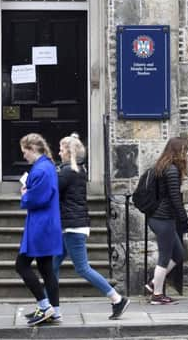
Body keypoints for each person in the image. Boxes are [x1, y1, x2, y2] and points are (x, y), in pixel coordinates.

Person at [52, 134, 130, 320]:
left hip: (73, 226)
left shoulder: (69, 172)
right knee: (52, 265)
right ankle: (50, 308)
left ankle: (117, 299)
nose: (58, 152)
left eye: (62, 149)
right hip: (70, 224)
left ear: (69, 153)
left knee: (82, 268)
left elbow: (51, 189)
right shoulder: (74, 170)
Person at [16, 133, 63, 326]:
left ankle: (45, 307)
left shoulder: (42, 169)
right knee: (45, 268)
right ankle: (55, 310)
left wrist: (25, 194)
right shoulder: (46, 166)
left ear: (33, 149)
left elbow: (37, 198)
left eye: (24, 152)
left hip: (41, 226)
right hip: (46, 224)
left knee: (21, 265)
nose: (23, 156)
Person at [144, 137, 188, 305]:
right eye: (184, 150)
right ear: (178, 151)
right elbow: (174, 198)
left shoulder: (163, 167)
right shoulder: (171, 170)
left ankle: (153, 284)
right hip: (163, 219)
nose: (186, 154)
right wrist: (183, 217)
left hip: (159, 217)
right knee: (165, 256)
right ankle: (157, 295)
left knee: (178, 254)